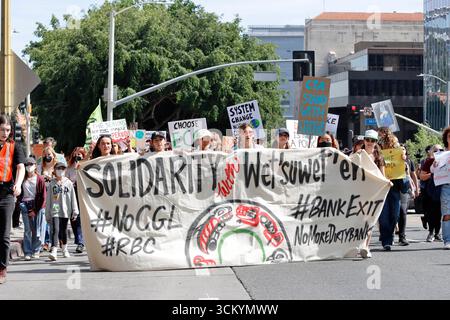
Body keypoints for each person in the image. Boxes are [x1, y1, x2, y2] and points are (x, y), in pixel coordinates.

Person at [0, 115, 25, 284]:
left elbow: (21, 167)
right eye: (2, 129)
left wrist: (18, 184)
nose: (5, 133)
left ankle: (2, 268)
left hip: (7, 194)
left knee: (4, 235)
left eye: (8, 130)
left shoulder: (15, 147)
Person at [358, 129, 385, 258]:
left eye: (372, 140)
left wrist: (387, 183)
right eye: (367, 140)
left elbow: (382, 176)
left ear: (376, 142)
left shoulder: (379, 157)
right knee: (359, 220)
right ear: (364, 140)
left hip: (374, 193)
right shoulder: (357, 155)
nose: (369, 142)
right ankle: (359, 244)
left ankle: (365, 246)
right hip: (359, 193)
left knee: (370, 220)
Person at [45, 161, 79, 261]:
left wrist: (75, 210)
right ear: (54, 171)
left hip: (65, 209)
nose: (60, 171)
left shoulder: (68, 183)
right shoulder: (52, 183)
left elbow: (73, 197)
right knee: (55, 229)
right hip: (55, 209)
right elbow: (48, 199)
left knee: (63, 230)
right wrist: (47, 213)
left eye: (63, 169)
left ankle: (64, 248)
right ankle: (54, 249)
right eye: (58, 169)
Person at [377, 127, 402, 251]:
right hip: (382, 187)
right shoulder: (378, 153)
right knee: (384, 215)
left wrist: (404, 159)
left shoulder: (399, 153)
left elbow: (404, 170)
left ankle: (389, 234)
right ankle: (387, 240)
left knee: (395, 214)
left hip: (395, 186)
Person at [19, 157, 47, 260]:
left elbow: (43, 196)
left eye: (31, 164)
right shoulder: (22, 178)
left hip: (37, 206)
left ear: (35, 166)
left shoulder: (39, 179)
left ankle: (36, 250)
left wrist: (35, 210)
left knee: (37, 229)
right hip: (25, 205)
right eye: (27, 165)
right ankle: (27, 251)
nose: (29, 166)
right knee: (27, 230)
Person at [420, 144, 443, 242]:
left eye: (441, 150)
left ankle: (437, 233)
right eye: (436, 150)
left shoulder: (446, 160)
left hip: (443, 189)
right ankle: (431, 232)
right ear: (431, 152)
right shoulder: (428, 162)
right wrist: (432, 174)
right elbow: (422, 176)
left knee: (439, 213)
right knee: (431, 212)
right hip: (430, 190)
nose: (438, 152)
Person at [66, 147, 87, 253]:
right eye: (76, 153)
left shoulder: (86, 165)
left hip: (84, 193)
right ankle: (79, 240)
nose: (78, 155)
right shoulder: (69, 168)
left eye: (80, 154)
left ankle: (82, 241)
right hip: (73, 193)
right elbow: (66, 180)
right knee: (74, 218)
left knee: (82, 218)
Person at [397, 144, 418, 246]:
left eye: (403, 149)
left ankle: (402, 236)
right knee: (393, 213)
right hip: (392, 187)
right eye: (399, 149)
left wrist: (415, 189)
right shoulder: (390, 160)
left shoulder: (408, 162)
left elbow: (410, 175)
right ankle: (388, 233)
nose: (402, 150)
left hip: (404, 188)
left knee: (403, 211)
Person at [434, 126, 450, 249]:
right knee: (447, 214)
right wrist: (434, 165)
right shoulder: (440, 154)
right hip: (446, 186)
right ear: (446, 138)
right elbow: (433, 170)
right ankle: (447, 240)